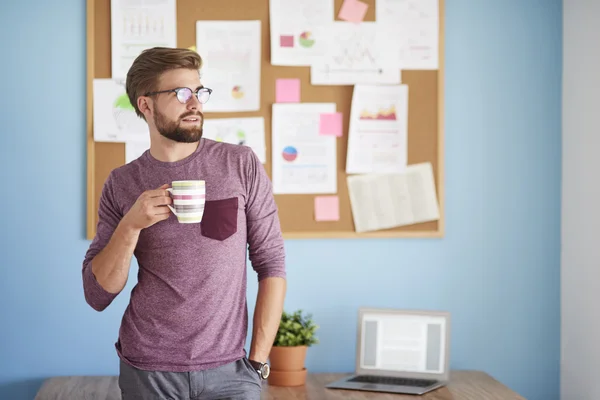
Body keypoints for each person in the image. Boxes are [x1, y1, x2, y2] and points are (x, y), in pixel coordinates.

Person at [82, 47, 287, 400]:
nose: (195, 103)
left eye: (199, 92)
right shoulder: (122, 183)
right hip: (148, 370)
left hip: (232, 373)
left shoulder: (241, 164)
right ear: (145, 105)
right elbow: (97, 294)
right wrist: (130, 226)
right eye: (181, 93)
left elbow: (272, 264)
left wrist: (257, 362)